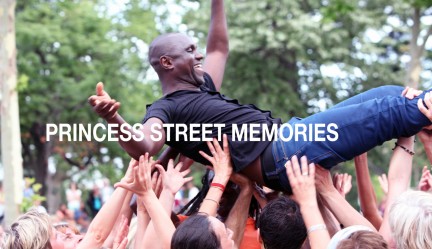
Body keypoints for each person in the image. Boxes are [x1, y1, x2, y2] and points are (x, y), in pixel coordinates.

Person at [88, 0, 432, 193]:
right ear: (166, 63)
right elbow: (145, 145)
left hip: (290, 138)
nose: (198, 56)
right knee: (393, 108)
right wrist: (113, 118)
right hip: (283, 152)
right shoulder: (166, 109)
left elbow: (219, 46)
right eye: (189, 51)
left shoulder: (201, 86)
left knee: (389, 92)